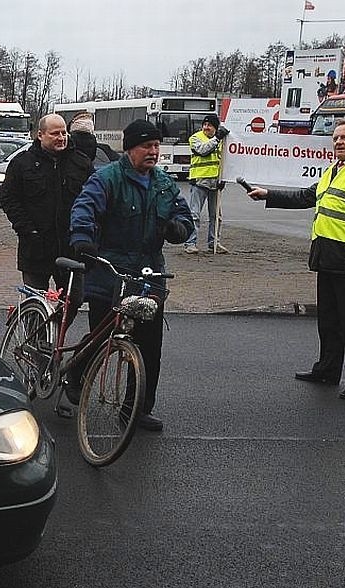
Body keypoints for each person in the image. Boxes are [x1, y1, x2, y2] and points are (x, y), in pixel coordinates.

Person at [247, 120, 345, 400]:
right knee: (329, 320)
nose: (338, 142)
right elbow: (306, 196)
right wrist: (268, 194)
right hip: (327, 255)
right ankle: (327, 371)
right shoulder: (334, 171)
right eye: (336, 138)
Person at [69, 119, 194, 431]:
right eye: (146, 146)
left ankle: (137, 409)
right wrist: (82, 238)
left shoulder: (164, 183)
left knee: (149, 348)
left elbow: (184, 216)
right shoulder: (106, 178)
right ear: (130, 149)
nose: (153, 152)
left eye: (156, 146)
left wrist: (179, 228)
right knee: (102, 337)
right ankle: (77, 370)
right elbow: (84, 208)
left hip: (150, 277)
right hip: (109, 275)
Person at [1, 113, 92, 300]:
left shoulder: (81, 163)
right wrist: (27, 230)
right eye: (55, 134)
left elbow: (92, 199)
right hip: (36, 248)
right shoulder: (22, 163)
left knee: (74, 299)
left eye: (64, 133)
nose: (61, 138)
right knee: (35, 303)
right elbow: (9, 199)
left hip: (70, 248)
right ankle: (38, 329)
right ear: (40, 135)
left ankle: (58, 329)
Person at [185, 114, 229, 254]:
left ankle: (214, 243)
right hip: (199, 180)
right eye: (205, 124)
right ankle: (190, 243)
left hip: (215, 182)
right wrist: (217, 138)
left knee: (216, 216)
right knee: (194, 215)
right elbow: (202, 151)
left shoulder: (222, 140)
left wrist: (224, 179)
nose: (206, 127)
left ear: (215, 127)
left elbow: (225, 160)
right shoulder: (195, 138)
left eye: (209, 125)